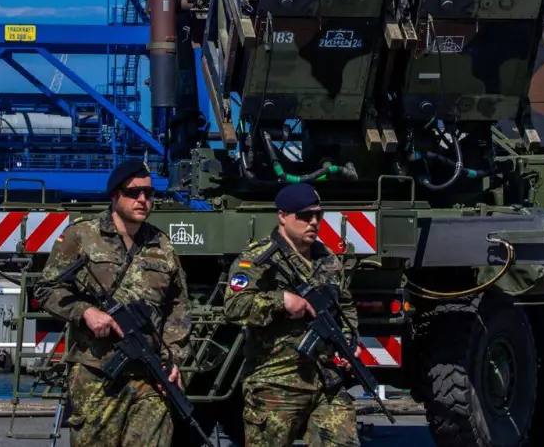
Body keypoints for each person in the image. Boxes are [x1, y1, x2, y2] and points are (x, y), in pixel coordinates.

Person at [36, 159, 190, 447]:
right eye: (133, 192)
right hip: (97, 372)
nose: (143, 199)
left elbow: (177, 308)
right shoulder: (82, 235)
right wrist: (86, 312)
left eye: (149, 193)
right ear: (115, 195)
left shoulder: (162, 244)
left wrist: (174, 359)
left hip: (150, 375)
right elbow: (46, 289)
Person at [223, 184, 359, 447]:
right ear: (283, 216)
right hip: (277, 382)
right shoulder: (257, 259)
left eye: (318, 215)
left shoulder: (327, 258)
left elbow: (345, 306)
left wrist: (349, 344)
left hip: (326, 381)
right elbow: (234, 306)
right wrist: (280, 301)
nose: (314, 222)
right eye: (305, 216)